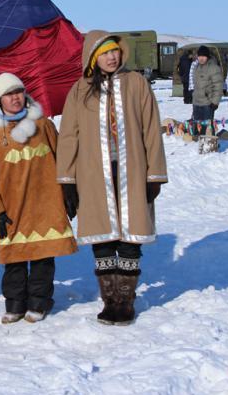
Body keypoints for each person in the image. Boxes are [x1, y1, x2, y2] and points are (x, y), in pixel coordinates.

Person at [57, 31, 168, 325]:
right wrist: (66, 180)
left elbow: (151, 130)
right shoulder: (80, 90)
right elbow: (69, 136)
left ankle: (126, 301)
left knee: (130, 237)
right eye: (105, 52)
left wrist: (154, 174)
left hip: (132, 170)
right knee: (103, 237)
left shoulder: (136, 84)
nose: (112, 57)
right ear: (93, 57)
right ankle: (110, 301)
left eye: (115, 52)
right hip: (93, 174)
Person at [0, 73, 77, 323]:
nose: (15, 98)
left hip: (45, 202)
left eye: (18, 92)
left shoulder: (43, 126)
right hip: (9, 205)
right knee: (13, 257)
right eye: (8, 94)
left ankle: (40, 301)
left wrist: (70, 190)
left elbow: (62, 158)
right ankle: (15, 302)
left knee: (43, 254)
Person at [191, 45, 223, 132]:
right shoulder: (196, 67)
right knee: (198, 128)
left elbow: (218, 86)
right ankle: (199, 143)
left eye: (204, 56)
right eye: (200, 56)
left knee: (207, 128)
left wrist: (215, 102)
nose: (201, 58)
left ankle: (210, 144)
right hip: (197, 103)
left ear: (207, 57)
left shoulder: (213, 68)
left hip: (207, 103)